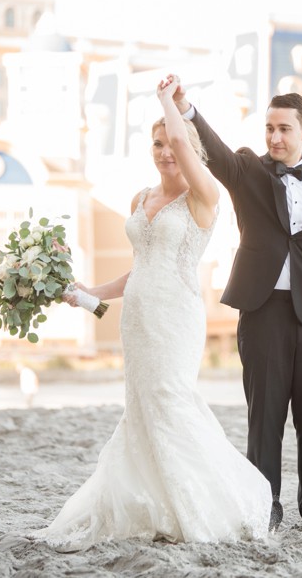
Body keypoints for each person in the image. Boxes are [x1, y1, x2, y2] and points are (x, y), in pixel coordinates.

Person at [29, 77, 271, 551]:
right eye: (157, 143)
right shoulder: (140, 199)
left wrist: (165, 101)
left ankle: (208, 504)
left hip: (176, 318)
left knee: (171, 400)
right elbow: (139, 271)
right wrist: (86, 292)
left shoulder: (205, 197)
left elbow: (184, 140)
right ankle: (154, 506)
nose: (165, 151)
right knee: (142, 408)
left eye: (173, 143)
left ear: (191, 150)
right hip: (136, 318)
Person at [165, 74, 302, 542]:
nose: (274, 137)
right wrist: (188, 109)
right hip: (263, 314)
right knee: (266, 421)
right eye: (269, 128)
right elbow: (212, 151)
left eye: (284, 129)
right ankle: (263, 508)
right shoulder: (249, 171)